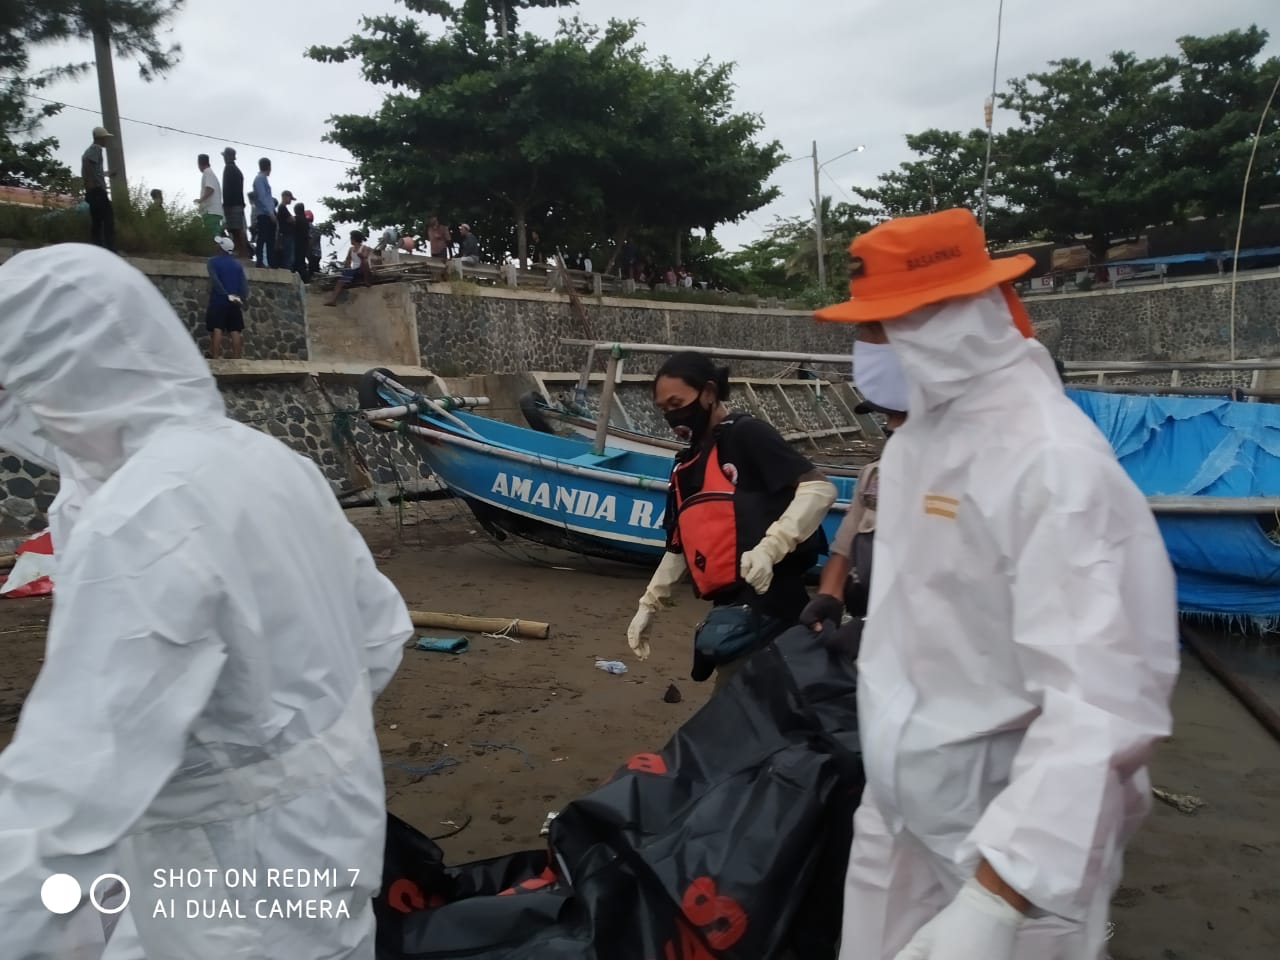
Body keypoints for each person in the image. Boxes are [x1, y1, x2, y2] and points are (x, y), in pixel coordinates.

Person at [0, 244, 412, 960]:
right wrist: (291, 743)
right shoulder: (268, 460)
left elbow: (71, 789)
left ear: (62, 381)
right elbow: (379, 632)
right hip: (333, 839)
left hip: (224, 888)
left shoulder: (141, 516)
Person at [811, 208, 1180, 960]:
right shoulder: (916, 448)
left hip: (1011, 845)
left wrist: (995, 900)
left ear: (945, 325)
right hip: (898, 814)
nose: (864, 352)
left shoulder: (1054, 466)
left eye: (877, 330)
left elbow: (1103, 705)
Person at [626, 351, 836, 689]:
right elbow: (680, 543)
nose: (672, 415)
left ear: (709, 392)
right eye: (664, 409)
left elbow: (818, 488)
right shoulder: (686, 464)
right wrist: (649, 603)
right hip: (732, 609)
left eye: (677, 402)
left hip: (776, 606)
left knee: (744, 714)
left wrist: (770, 548)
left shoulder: (745, 434)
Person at [798, 329, 908, 657]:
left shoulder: (968, 483)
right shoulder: (873, 475)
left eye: (901, 414)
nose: (891, 426)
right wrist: (829, 597)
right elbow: (844, 551)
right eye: (886, 415)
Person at [207, 235, 248, 359]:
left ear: (221, 248)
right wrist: (241, 298)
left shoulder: (212, 261)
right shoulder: (238, 264)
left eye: (219, 244)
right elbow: (244, 284)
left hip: (219, 299)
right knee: (235, 330)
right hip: (235, 299)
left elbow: (215, 281)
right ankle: (237, 358)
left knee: (217, 327)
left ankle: (215, 356)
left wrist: (224, 294)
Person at [81, 126, 115, 252]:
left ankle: (98, 247)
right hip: (97, 191)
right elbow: (86, 162)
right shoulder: (96, 148)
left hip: (94, 191)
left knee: (97, 221)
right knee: (108, 219)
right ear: (100, 138)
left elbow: (95, 171)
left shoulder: (92, 150)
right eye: (105, 138)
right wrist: (90, 184)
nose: (106, 141)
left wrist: (106, 174)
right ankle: (110, 249)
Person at [323, 230, 374, 306]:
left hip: (363, 269)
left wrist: (361, 256)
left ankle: (367, 281)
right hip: (354, 270)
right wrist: (347, 269)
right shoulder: (351, 249)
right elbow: (348, 260)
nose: (350, 240)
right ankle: (332, 300)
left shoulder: (365, 248)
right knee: (340, 281)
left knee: (365, 262)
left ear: (354, 239)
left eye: (351, 238)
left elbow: (366, 257)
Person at [220, 147, 250, 259]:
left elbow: (227, 189)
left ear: (228, 156)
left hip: (232, 205)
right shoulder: (236, 170)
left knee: (236, 230)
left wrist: (225, 206)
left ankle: (243, 253)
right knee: (236, 229)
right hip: (238, 204)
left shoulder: (228, 169)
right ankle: (242, 252)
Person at [251, 157, 277, 268]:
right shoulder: (259, 179)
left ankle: (271, 262)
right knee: (263, 238)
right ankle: (260, 261)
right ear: (269, 167)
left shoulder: (263, 179)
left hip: (267, 213)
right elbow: (262, 197)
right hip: (264, 213)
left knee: (270, 239)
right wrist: (270, 212)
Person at [196, 153, 224, 240]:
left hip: (210, 211)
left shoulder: (207, 172)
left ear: (199, 164)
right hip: (214, 211)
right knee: (215, 235)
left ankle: (215, 252)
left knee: (212, 236)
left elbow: (210, 189)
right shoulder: (210, 173)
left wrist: (200, 200)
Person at [293, 201, 311, 281]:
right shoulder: (305, 221)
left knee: (297, 261)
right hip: (304, 244)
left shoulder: (297, 219)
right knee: (301, 261)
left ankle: (303, 278)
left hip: (297, 243)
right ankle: (305, 278)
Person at [306, 210, 322, 276]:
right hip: (318, 253)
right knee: (316, 271)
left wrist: (306, 251)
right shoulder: (316, 229)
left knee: (312, 274)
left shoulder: (308, 228)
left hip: (312, 253)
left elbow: (310, 242)